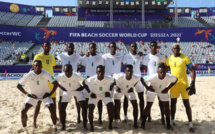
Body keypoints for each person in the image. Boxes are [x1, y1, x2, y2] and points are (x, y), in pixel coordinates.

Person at [16, 60, 60, 133]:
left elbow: (56, 84)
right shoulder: (29, 75)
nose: (37, 67)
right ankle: (25, 130)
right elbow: (19, 86)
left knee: (51, 108)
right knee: (23, 110)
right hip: (33, 96)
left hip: (45, 95)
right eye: (36, 65)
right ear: (33, 66)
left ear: (42, 67)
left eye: (39, 65)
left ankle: (55, 127)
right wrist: (28, 94)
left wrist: (50, 93)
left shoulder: (46, 74)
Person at [166, 43, 196, 132]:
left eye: (178, 48)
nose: (176, 50)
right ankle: (172, 120)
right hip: (173, 84)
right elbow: (166, 71)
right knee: (173, 103)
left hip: (184, 83)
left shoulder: (185, 58)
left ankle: (190, 123)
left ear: (179, 49)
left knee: (186, 103)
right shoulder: (169, 59)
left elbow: (192, 70)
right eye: (174, 48)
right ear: (172, 50)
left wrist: (193, 83)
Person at [32, 42, 61, 128]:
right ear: (43, 47)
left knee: (53, 101)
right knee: (38, 102)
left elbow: (54, 67)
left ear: (50, 47)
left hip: (51, 82)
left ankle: (55, 118)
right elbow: (33, 68)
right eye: (46, 46)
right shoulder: (38, 56)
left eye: (48, 46)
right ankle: (34, 122)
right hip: (41, 82)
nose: (47, 47)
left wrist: (63, 66)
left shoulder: (52, 57)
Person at [141, 63, 177, 130]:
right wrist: (147, 87)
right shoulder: (153, 77)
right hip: (152, 91)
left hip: (163, 91)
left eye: (164, 72)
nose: (162, 74)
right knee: (148, 106)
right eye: (160, 72)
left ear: (166, 71)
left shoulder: (170, 76)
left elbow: (176, 80)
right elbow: (142, 79)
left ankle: (168, 125)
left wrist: (168, 88)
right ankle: (143, 124)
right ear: (157, 72)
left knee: (166, 107)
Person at [57, 43, 84, 123]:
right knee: (61, 100)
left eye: (72, 47)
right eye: (69, 47)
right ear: (66, 48)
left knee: (77, 100)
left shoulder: (77, 56)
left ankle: (79, 116)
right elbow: (56, 63)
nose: (71, 48)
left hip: (74, 79)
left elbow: (82, 64)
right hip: (64, 80)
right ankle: (61, 117)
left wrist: (77, 70)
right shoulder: (61, 55)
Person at [83, 65, 115, 132]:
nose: (100, 73)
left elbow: (114, 82)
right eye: (99, 72)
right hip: (95, 95)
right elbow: (84, 83)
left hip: (105, 95)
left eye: (102, 72)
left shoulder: (108, 78)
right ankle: (91, 126)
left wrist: (109, 91)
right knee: (90, 109)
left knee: (111, 107)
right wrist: (90, 93)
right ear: (96, 72)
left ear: (104, 72)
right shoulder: (92, 79)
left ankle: (110, 125)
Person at [55, 64, 87, 130]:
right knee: (62, 108)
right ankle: (63, 126)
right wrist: (61, 87)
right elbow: (54, 81)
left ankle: (85, 125)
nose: (68, 73)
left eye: (69, 71)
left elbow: (87, 79)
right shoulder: (60, 76)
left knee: (84, 106)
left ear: (72, 70)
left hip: (77, 90)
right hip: (67, 91)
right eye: (66, 71)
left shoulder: (77, 75)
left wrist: (83, 87)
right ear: (63, 70)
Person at [143, 41, 166, 124]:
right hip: (150, 82)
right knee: (149, 102)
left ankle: (163, 117)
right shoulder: (146, 57)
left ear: (157, 47)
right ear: (150, 47)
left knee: (161, 101)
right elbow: (142, 67)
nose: (153, 47)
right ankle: (149, 117)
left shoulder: (161, 56)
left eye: (155, 46)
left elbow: (165, 68)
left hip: (160, 82)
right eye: (152, 45)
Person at [81, 42, 104, 124]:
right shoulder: (85, 57)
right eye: (91, 48)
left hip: (97, 80)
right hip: (88, 80)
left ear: (96, 48)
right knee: (87, 99)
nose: (93, 49)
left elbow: (102, 68)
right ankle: (88, 116)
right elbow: (81, 65)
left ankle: (100, 118)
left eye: (94, 47)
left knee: (99, 100)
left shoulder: (100, 57)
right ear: (89, 49)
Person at [122, 42, 145, 122]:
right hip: (129, 79)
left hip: (138, 79)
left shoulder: (140, 56)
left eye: (135, 46)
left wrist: (138, 70)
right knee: (126, 98)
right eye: (132, 46)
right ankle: (125, 116)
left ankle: (142, 115)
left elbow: (144, 65)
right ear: (130, 47)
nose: (134, 47)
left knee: (141, 97)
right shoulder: (126, 56)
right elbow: (121, 64)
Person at [113, 65, 139, 129]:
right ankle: (116, 122)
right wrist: (115, 86)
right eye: (127, 71)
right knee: (116, 105)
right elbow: (111, 76)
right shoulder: (119, 76)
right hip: (119, 90)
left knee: (135, 105)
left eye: (130, 71)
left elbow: (138, 80)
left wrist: (132, 86)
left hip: (128, 90)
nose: (129, 72)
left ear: (132, 71)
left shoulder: (136, 77)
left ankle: (135, 123)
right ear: (125, 71)